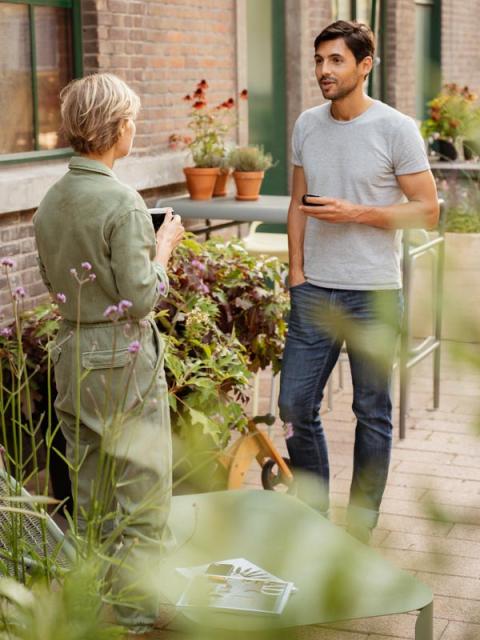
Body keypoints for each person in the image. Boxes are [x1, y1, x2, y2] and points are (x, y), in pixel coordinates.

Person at [33, 73, 184, 633]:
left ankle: (89, 602)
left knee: (90, 489)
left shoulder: (52, 199)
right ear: (115, 127)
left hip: (70, 352)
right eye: (132, 120)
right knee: (142, 490)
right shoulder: (121, 200)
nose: (134, 128)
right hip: (121, 355)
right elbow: (140, 296)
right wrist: (163, 248)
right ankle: (137, 617)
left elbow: (51, 280)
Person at [278, 21, 439, 543]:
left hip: (373, 292)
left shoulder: (396, 129)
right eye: (319, 60)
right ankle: (313, 518)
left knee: (371, 410)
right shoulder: (306, 123)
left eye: (336, 61)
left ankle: (361, 529)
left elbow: (428, 211)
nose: (323, 70)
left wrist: (356, 213)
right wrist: (297, 271)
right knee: (294, 406)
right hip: (313, 291)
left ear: (364, 65)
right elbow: (297, 202)